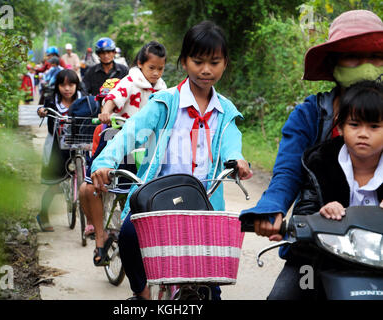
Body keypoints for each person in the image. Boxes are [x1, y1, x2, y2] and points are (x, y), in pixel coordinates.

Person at [91, 21, 252, 300]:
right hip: (156, 199)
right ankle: (141, 294)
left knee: (211, 287)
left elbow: (231, 143)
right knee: (129, 235)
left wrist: (237, 160)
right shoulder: (164, 104)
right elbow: (128, 135)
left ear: (225, 63)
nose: (205, 70)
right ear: (184, 62)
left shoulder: (225, 112)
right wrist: (104, 162)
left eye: (214, 62)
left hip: (205, 202)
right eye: (197, 61)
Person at [238, 10, 383, 299]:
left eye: (375, 57)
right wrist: (272, 210)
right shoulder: (310, 115)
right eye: (354, 57)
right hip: (317, 249)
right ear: (334, 64)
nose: (366, 66)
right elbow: (287, 172)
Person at [269, 80, 383, 300]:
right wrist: (321, 212)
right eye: (354, 124)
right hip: (320, 259)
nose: (363, 133)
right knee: (283, 296)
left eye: (374, 126)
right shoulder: (319, 162)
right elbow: (305, 211)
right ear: (339, 127)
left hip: (379, 261)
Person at [79, 41, 167, 264]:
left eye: (160, 68)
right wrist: (106, 113)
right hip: (119, 140)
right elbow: (112, 98)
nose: (156, 73)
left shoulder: (163, 89)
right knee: (92, 185)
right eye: (151, 68)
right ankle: (101, 237)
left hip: (147, 147)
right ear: (140, 64)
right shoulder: (129, 81)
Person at [36, 69, 83, 232]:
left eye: (71, 84)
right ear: (57, 86)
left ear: (77, 85)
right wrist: (41, 111)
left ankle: (89, 223)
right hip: (56, 148)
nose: (67, 89)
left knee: (85, 183)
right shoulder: (51, 101)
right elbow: (41, 110)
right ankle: (43, 214)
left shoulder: (82, 100)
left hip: (78, 148)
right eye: (63, 85)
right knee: (54, 186)